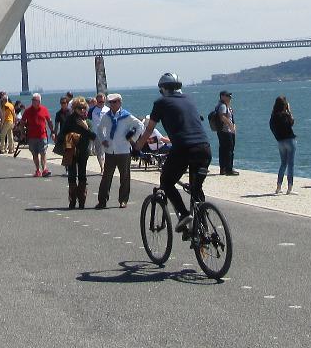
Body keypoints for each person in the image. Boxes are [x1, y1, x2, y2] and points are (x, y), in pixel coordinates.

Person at [135, 73, 210, 236]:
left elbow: (148, 130)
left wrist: (137, 147)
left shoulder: (160, 102)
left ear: (162, 89)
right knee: (196, 189)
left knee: (167, 181)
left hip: (183, 148)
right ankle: (202, 228)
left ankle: (184, 214)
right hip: (204, 148)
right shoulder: (190, 99)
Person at [94, 94, 141, 209]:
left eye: (114, 102)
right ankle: (102, 201)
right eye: (110, 102)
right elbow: (100, 129)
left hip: (123, 150)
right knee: (106, 177)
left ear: (120, 102)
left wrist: (132, 139)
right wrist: (103, 139)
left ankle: (123, 200)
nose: (112, 104)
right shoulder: (106, 116)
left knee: (124, 177)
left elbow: (140, 125)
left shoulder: (126, 116)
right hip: (110, 151)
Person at [57, 96, 96, 209]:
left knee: (82, 175)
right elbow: (62, 135)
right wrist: (70, 137)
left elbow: (93, 136)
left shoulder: (87, 121)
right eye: (80, 108)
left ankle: (82, 201)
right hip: (71, 151)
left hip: (84, 151)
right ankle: (72, 201)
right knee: (72, 175)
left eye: (84, 107)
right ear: (74, 108)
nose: (82, 110)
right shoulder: (70, 119)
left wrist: (85, 127)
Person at [20, 93, 53, 177]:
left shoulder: (44, 109)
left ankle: (44, 169)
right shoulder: (27, 111)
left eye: (35, 100)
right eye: (32, 100)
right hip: (32, 136)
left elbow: (49, 121)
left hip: (42, 136)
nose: (33, 102)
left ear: (39, 101)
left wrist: (52, 132)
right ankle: (37, 170)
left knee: (43, 153)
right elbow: (22, 122)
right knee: (34, 154)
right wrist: (22, 133)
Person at [269, 96, 296, 195]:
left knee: (283, 163)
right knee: (290, 164)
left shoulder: (273, 116)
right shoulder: (285, 115)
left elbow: (271, 127)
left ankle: (278, 187)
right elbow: (291, 123)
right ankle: (289, 188)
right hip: (289, 140)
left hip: (280, 141)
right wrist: (289, 112)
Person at [211, 91, 238, 175]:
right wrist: (230, 126)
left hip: (224, 131)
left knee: (223, 149)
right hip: (225, 131)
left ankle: (223, 169)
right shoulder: (222, 106)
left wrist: (233, 126)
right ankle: (228, 169)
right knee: (229, 149)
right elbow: (222, 117)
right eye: (227, 95)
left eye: (230, 95)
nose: (229, 97)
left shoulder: (226, 106)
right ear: (222, 96)